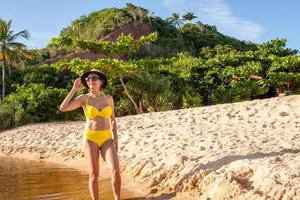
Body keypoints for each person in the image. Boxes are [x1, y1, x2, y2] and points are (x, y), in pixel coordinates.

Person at [59, 68, 121, 200]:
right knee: (94, 175)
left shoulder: (109, 98)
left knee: (115, 170)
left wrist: (116, 140)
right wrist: (74, 89)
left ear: (101, 81)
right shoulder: (83, 99)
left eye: (94, 78)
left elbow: (113, 121)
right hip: (90, 138)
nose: (90, 81)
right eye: (88, 79)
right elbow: (63, 108)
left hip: (106, 138)